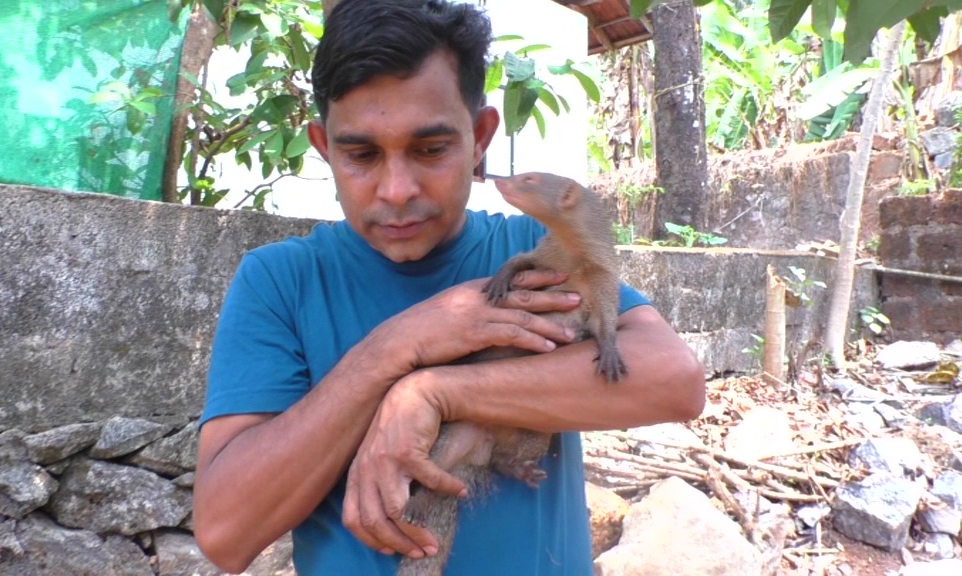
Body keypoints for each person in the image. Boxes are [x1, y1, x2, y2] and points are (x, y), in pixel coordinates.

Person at [192, 1, 705, 574]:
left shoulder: (536, 247)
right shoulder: (280, 283)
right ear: (323, 147)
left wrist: (433, 392)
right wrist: (392, 351)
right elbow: (224, 533)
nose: (397, 189)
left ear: (480, 136)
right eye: (361, 154)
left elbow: (675, 381)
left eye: (431, 149)